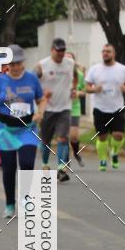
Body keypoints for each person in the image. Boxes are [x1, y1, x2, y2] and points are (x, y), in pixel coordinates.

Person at [0, 44, 46, 218]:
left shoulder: (32, 79)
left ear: (23, 62)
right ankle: (10, 204)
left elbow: (41, 100)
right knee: (9, 168)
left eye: (18, 63)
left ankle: (25, 199)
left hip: (27, 127)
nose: (16, 67)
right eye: (12, 64)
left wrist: (40, 113)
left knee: (27, 163)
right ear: (7, 64)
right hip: (5, 129)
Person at [85, 44, 125, 171]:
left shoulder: (122, 69)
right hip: (100, 108)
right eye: (103, 51)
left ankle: (114, 152)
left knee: (119, 135)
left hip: (117, 108)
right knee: (102, 137)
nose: (105, 53)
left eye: (108, 51)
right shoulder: (94, 69)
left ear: (114, 54)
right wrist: (94, 89)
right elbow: (86, 87)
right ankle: (103, 159)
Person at [34, 38, 76, 182]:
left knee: (63, 138)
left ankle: (61, 167)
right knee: (46, 140)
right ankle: (45, 164)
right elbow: (31, 81)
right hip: (47, 108)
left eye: (63, 50)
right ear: (52, 50)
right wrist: (41, 93)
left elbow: (77, 74)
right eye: (58, 50)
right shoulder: (42, 65)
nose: (61, 53)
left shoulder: (70, 63)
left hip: (64, 107)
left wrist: (74, 88)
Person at [67, 51, 85, 166]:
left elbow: (84, 91)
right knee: (63, 136)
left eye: (70, 59)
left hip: (74, 107)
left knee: (74, 136)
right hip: (61, 107)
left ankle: (76, 153)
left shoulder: (80, 75)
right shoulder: (58, 75)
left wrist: (78, 93)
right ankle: (64, 161)